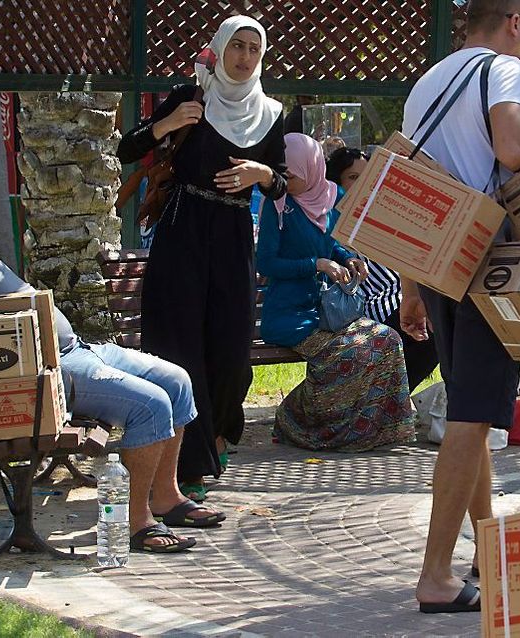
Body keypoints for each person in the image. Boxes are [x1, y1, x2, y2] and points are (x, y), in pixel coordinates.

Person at [0, 172, 221, 553]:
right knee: (151, 404)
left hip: (80, 350)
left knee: (178, 380)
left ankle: (165, 497)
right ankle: (136, 524)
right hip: (47, 373)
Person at [399, 0, 520, 613]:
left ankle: (485, 548)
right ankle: (435, 575)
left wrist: (413, 287)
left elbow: (415, 190)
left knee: (472, 412)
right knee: (471, 421)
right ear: (515, 22)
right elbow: (516, 148)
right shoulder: (505, 69)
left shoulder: (427, 83)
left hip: (440, 258)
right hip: (489, 261)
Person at [117, 16, 287, 502]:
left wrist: (260, 173)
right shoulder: (191, 96)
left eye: (255, 48)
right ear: (218, 48)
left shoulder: (272, 112)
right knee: (179, 345)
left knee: (232, 349)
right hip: (182, 228)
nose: (245, 57)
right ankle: (187, 467)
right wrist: (168, 124)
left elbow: (282, 179)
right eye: (237, 45)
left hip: (233, 234)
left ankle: (214, 441)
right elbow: (128, 146)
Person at [257, 133, 416, 451]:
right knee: (348, 353)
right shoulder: (276, 206)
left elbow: (331, 242)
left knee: (388, 340)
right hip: (290, 316)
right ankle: (293, 418)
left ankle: (375, 429)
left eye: (293, 175)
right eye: (283, 174)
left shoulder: (331, 198)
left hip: (328, 313)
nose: (286, 181)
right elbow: (266, 263)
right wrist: (316, 265)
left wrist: (348, 258)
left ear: (312, 168)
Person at [325, 146, 439, 392]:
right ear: (337, 182)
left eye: (368, 176)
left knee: (435, 327)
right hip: (364, 309)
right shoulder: (330, 219)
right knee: (425, 333)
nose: (363, 183)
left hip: (397, 301)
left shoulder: (382, 215)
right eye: (353, 177)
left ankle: (388, 400)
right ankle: (385, 401)